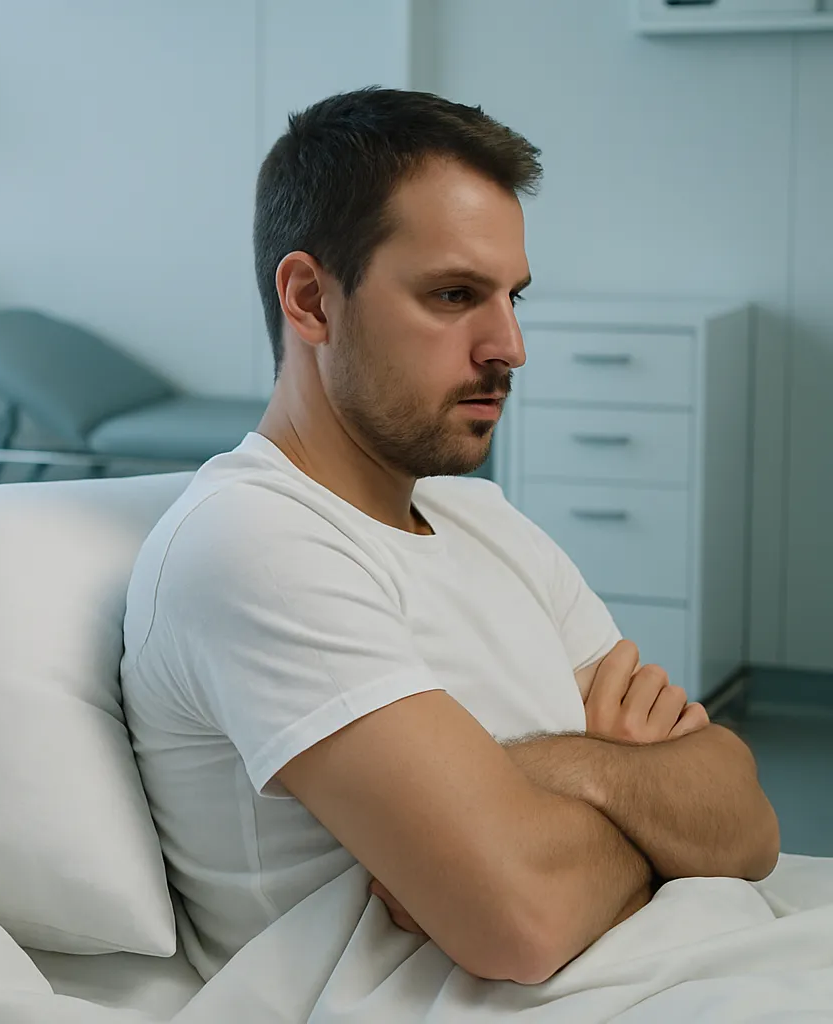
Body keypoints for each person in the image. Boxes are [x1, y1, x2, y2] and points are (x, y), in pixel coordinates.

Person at [120, 88, 780, 987]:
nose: (508, 344)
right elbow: (525, 920)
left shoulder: (484, 518)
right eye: (455, 295)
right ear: (311, 300)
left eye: (512, 297)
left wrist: (545, 778)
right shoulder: (253, 542)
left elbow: (745, 818)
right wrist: (637, 804)